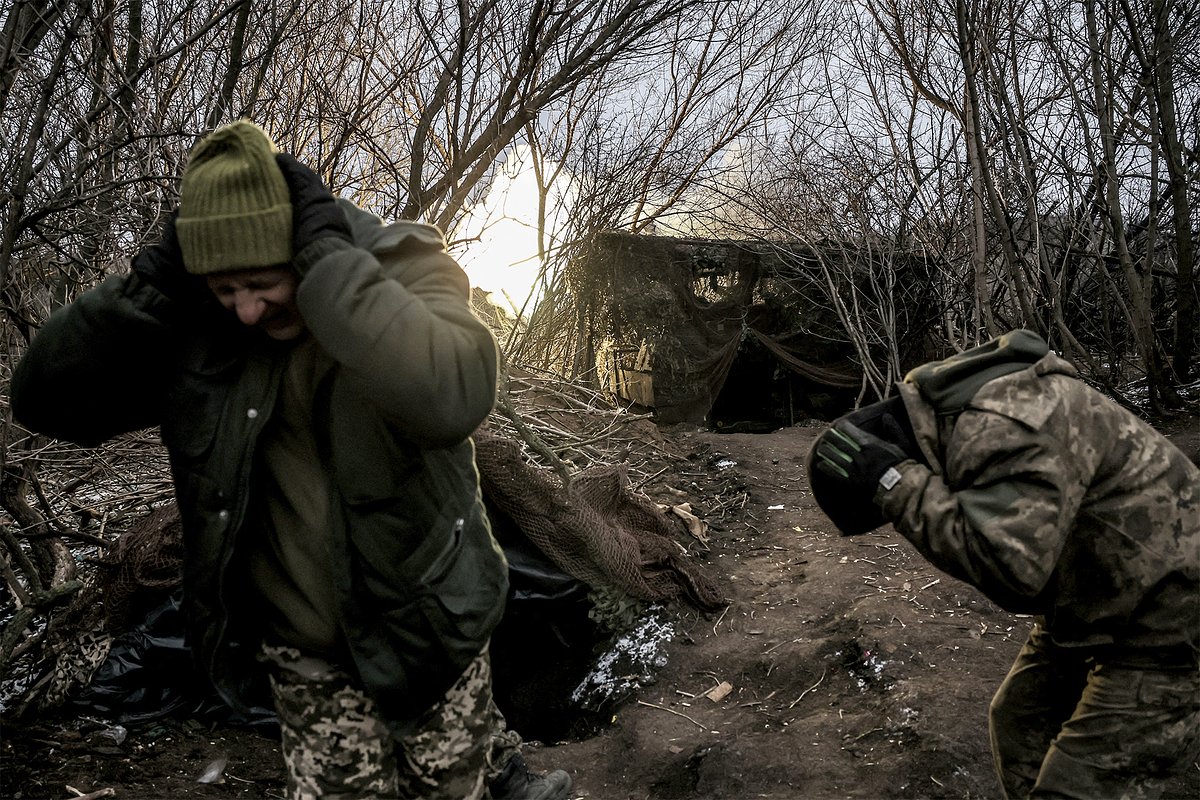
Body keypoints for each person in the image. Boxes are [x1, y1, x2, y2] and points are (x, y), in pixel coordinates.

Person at [12, 120, 571, 800]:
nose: (245, 310)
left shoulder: (398, 263)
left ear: (298, 249)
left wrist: (331, 272)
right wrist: (142, 291)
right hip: (300, 652)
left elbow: (453, 395)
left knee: (452, 785)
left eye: (261, 281)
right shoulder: (196, 326)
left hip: (426, 633)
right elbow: (46, 403)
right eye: (224, 289)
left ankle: (499, 774)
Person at [808, 329, 1199, 799]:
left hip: (1171, 618)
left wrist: (897, 486)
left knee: (1078, 788)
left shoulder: (1004, 427)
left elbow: (1013, 574)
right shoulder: (968, 413)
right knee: (1020, 721)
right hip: (1103, 599)